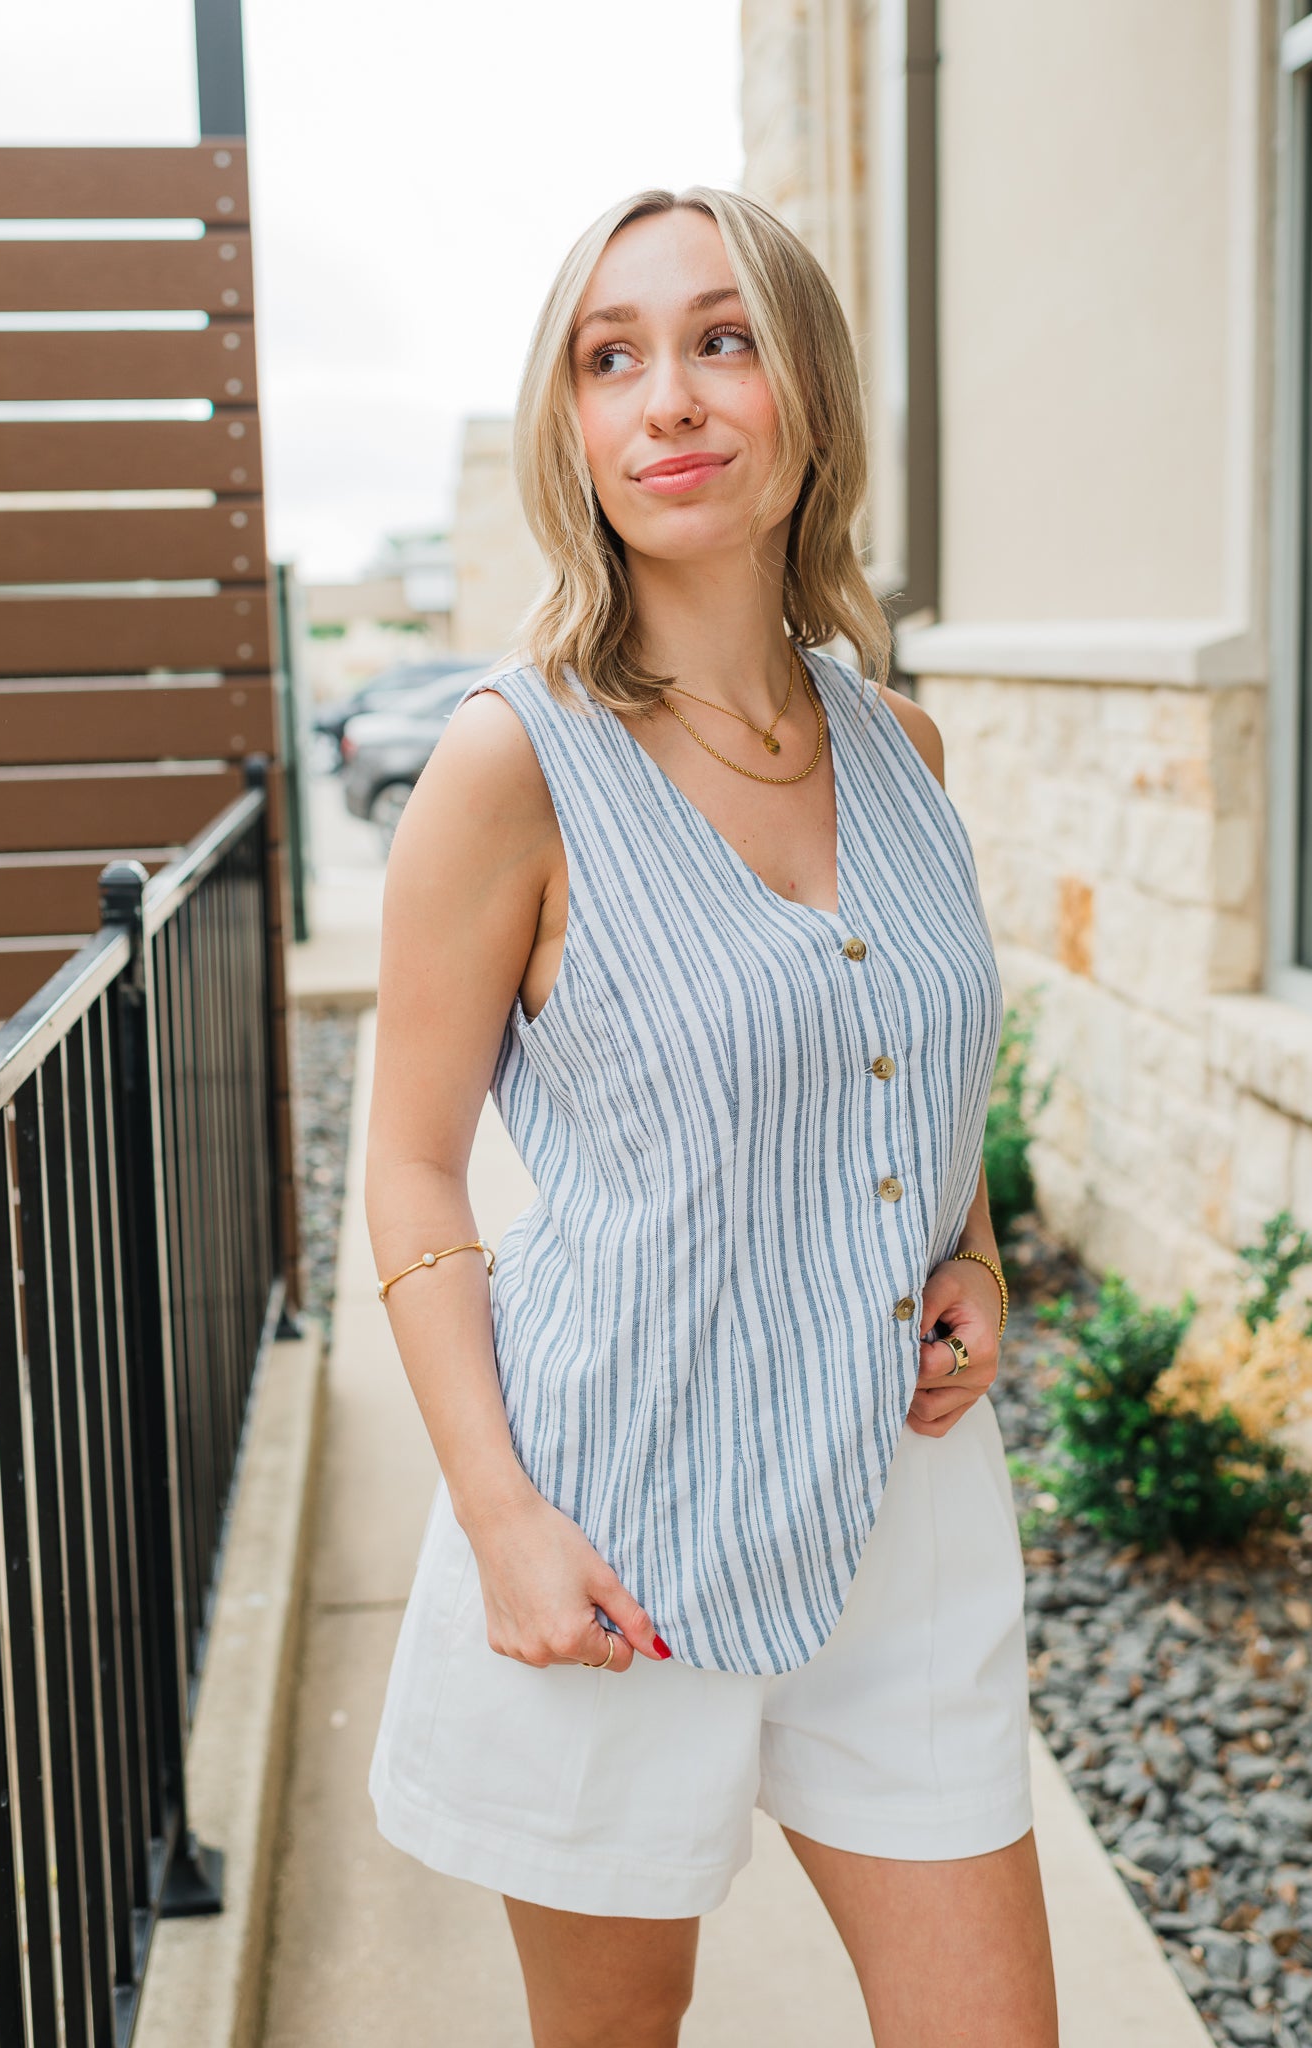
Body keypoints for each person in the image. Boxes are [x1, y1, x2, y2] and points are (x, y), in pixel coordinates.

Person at [365, 184, 1059, 2047]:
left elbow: (905, 1058)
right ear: (572, 424)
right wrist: (500, 1514)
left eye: (721, 339)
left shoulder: (900, 746)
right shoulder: (515, 762)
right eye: (615, 356)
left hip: (902, 1518)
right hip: (619, 1526)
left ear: (807, 397)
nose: (667, 397)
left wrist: (973, 1255)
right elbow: (413, 1159)